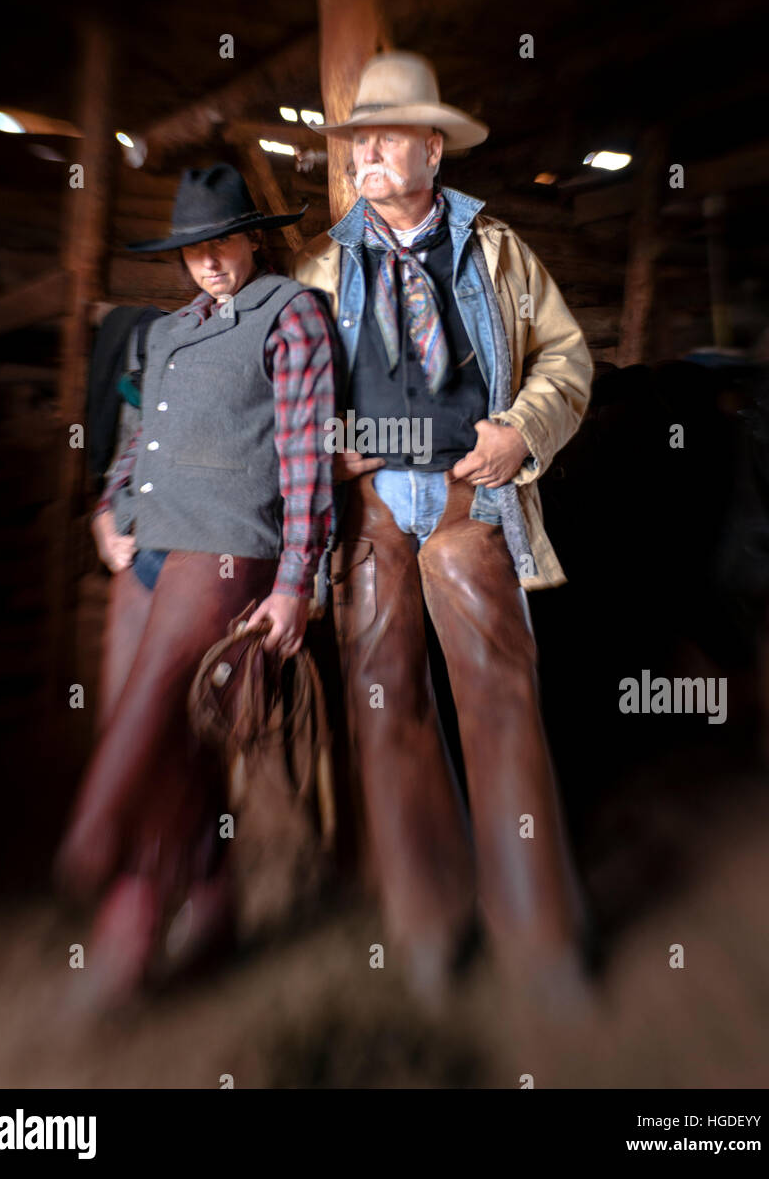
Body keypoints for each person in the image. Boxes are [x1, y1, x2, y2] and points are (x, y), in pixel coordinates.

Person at [295, 51, 594, 998]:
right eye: (356, 141)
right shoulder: (324, 264)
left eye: (387, 136)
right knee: (384, 703)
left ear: (433, 147)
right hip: (374, 506)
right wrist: (321, 442)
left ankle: (539, 934)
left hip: (470, 500)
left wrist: (521, 431)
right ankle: (426, 922)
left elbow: (569, 359)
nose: (367, 153)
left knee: (501, 705)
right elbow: (295, 393)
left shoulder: (496, 249)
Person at [55, 163, 336, 1007]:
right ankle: (203, 900)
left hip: (226, 547)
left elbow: (306, 455)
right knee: (152, 731)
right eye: (193, 251)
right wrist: (107, 510)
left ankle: (102, 863)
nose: (209, 263)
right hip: (145, 542)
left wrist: (295, 581)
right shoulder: (169, 333)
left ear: (254, 237)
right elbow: (139, 433)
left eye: (223, 244)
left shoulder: (292, 318)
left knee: (146, 710)